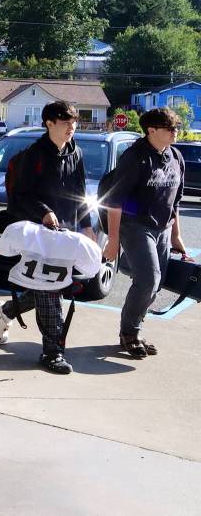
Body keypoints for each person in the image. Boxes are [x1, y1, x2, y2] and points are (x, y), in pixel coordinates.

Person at [0, 101, 96, 374]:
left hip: (65, 233)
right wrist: (45, 212)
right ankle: (53, 353)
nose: (71, 128)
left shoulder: (76, 153)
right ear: (49, 123)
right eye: (65, 123)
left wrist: (87, 226)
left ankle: (7, 310)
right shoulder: (34, 155)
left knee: (50, 286)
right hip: (38, 234)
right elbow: (21, 195)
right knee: (50, 290)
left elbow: (81, 193)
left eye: (74, 123)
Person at [102, 107, 193, 359]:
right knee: (148, 281)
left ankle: (134, 329)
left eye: (176, 127)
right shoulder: (135, 158)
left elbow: (176, 202)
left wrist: (176, 236)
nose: (175, 131)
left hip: (162, 228)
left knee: (156, 283)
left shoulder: (176, 157)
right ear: (151, 131)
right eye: (170, 128)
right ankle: (129, 333)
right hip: (135, 226)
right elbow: (114, 201)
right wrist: (113, 240)